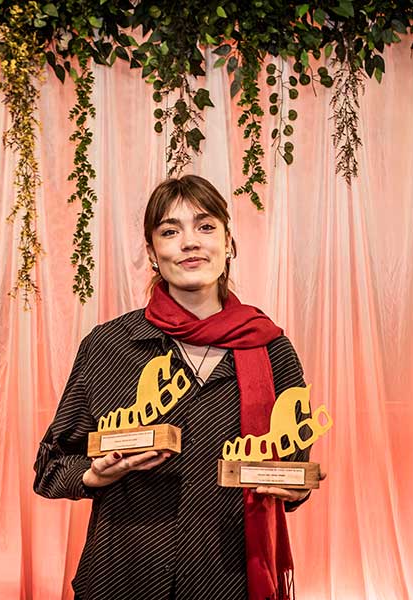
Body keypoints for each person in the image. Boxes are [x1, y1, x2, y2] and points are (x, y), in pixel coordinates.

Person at [34, 175, 314, 600]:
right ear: (152, 252)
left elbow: (290, 469)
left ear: (228, 242)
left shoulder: (273, 350)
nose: (190, 242)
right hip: (123, 577)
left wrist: (296, 488)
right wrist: (93, 474)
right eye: (170, 231)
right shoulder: (108, 346)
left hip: (229, 581)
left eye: (205, 226)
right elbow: (51, 466)